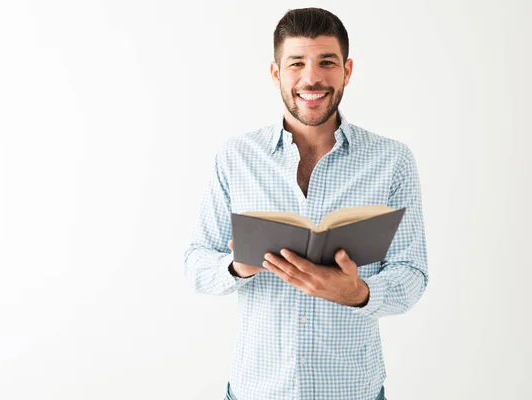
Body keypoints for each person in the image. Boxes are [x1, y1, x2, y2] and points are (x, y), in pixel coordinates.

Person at [183, 7, 428, 400]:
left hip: (352, 390)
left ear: (347, 70)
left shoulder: (392, 160)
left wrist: (359, 293)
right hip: (257, 389)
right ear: (276, 73)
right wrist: (237, 266)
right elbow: (195, 262)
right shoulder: (235, 157)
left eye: (326, 62)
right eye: (296, 63)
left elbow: (412, 274)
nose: (311, 78)